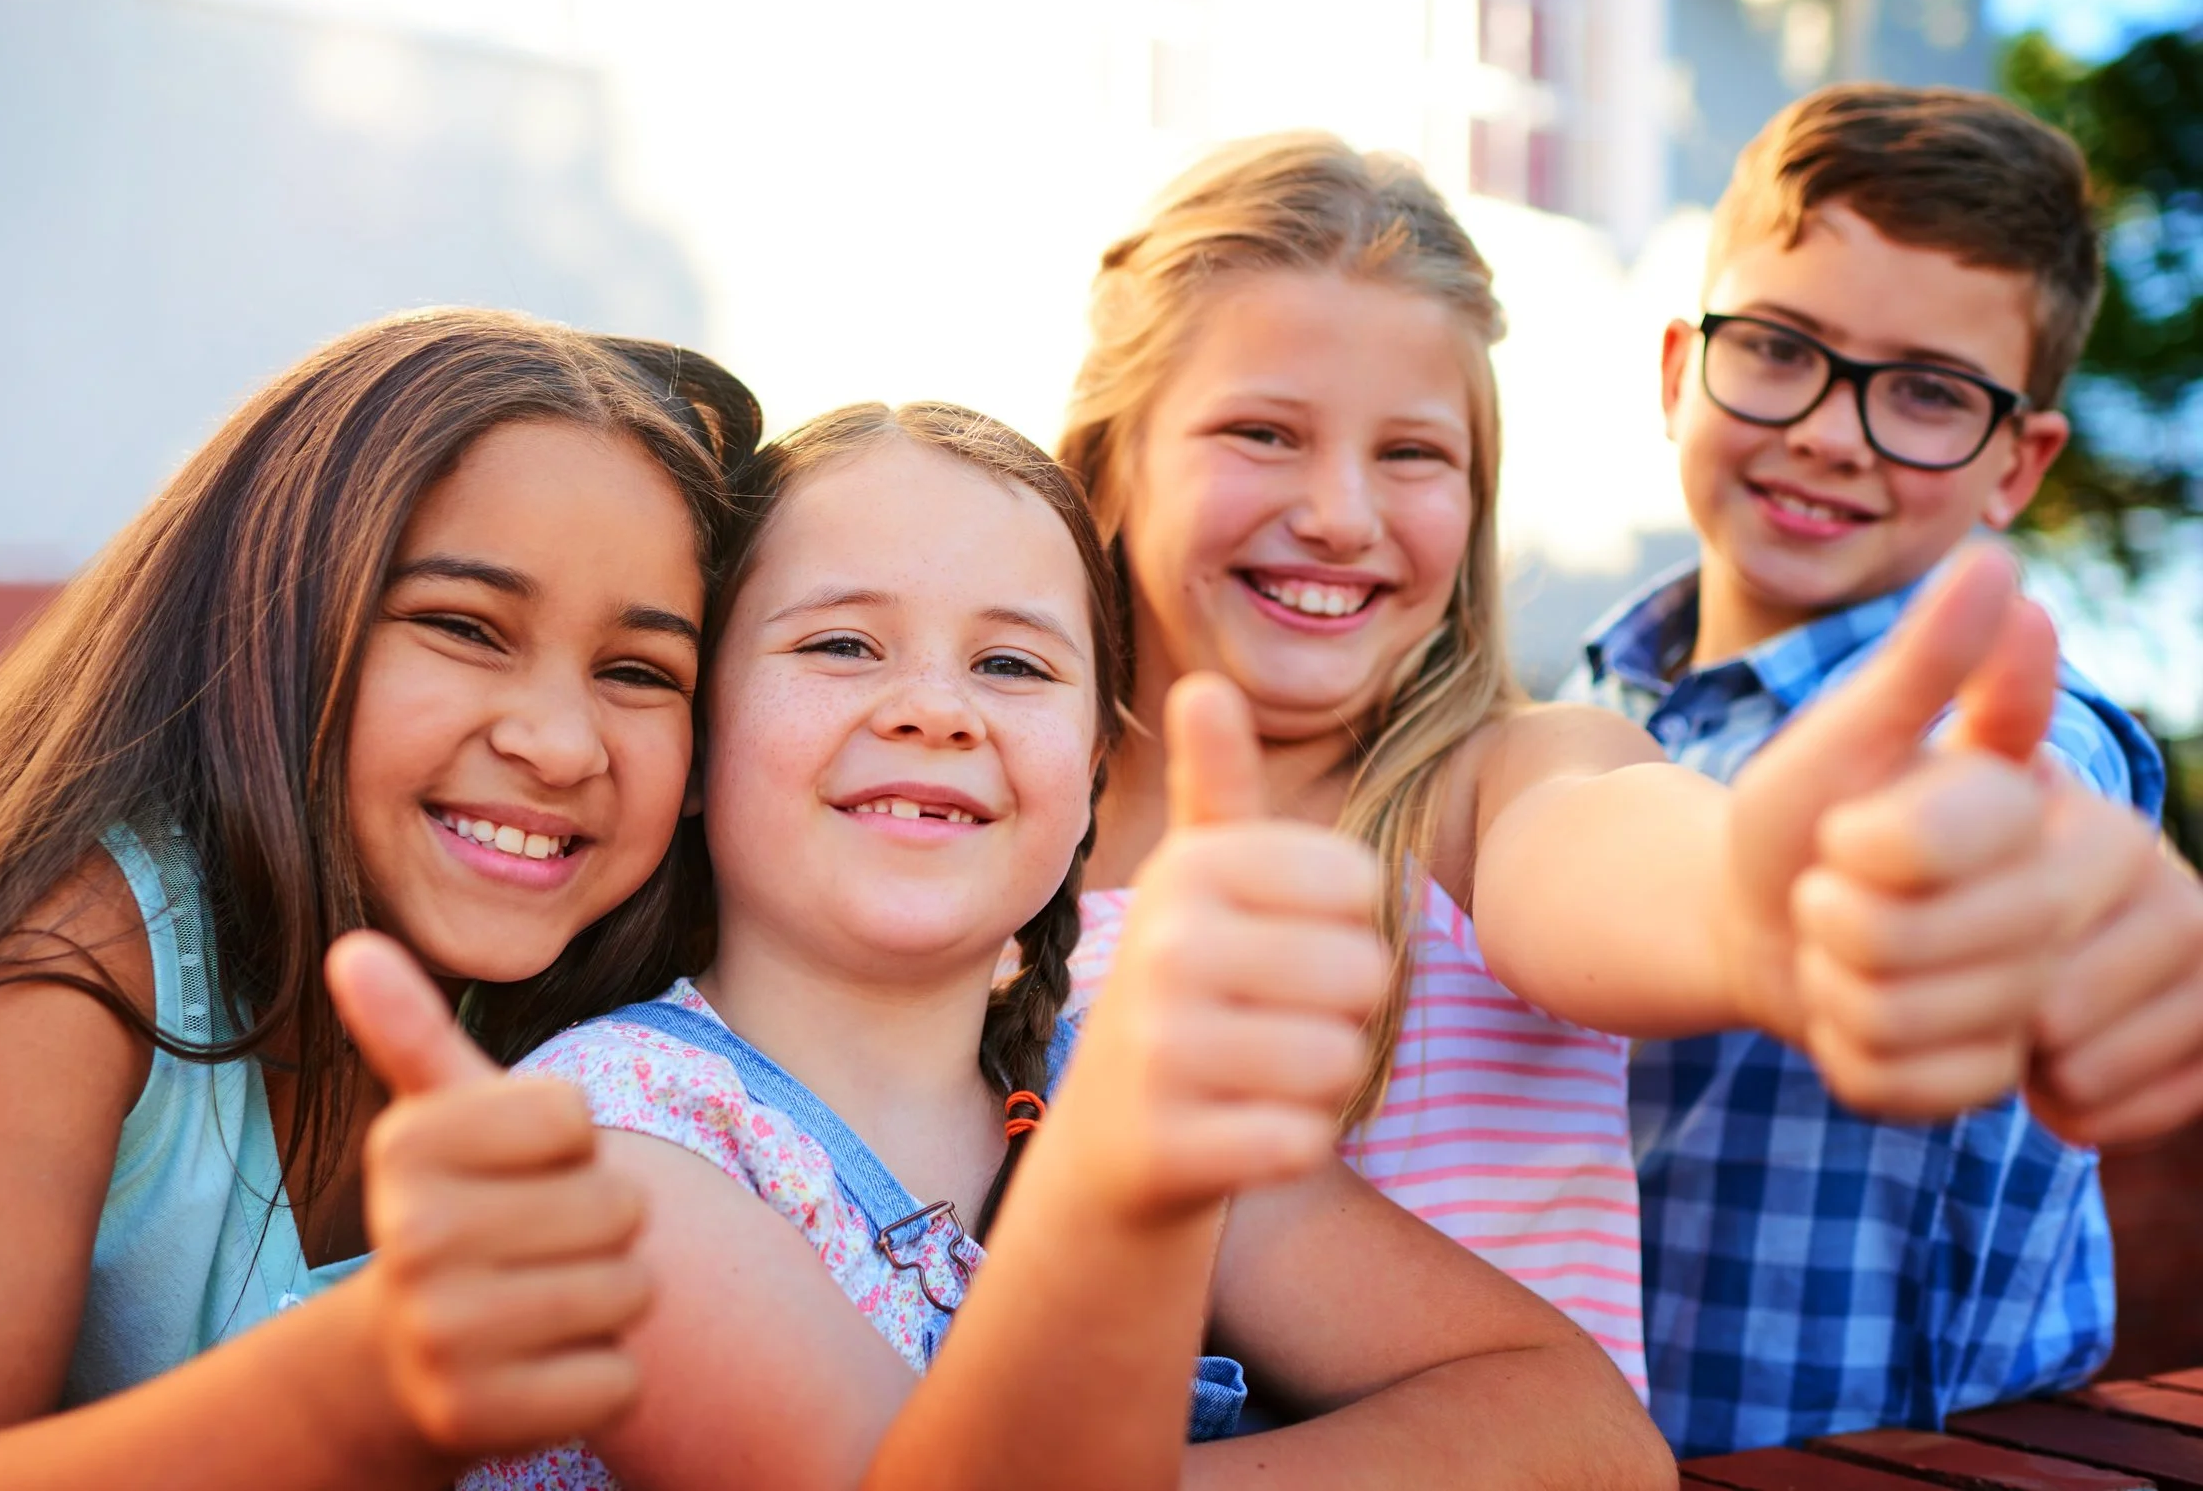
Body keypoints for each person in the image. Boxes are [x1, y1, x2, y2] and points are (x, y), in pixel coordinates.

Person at [1051, 130, 2197, 1406]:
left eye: (1412, 453)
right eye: (1263, 431)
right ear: (1112, 460)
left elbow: (1625, 845)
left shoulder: (1508, 773)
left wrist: (1776, 904)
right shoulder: (1004, 827)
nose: (1338, 511)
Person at [472, 403, 1673, 1491]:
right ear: (695, 733)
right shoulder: (602, 1136)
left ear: (1093, 774)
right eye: (841, 644)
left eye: (1011, 663)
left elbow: (1589, 1431)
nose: (935, 708)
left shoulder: (1101, 1082)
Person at [0, 311, 760, 1491]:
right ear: (275, 619)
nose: (561, 743)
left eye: (639, 672)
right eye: (464, 627)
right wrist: (363, 1378)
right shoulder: (77, 949)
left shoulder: (624, 1030)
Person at [1560, 83, 2203, 1454]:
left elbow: (2008, 817)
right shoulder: (1591, 694)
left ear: (2016, 466)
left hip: (1885, 1463)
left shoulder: (1998, 728)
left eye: (1926, 392)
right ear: (1682, 371)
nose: (1834, 430)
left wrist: (2030, 890)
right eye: (1781, 349)